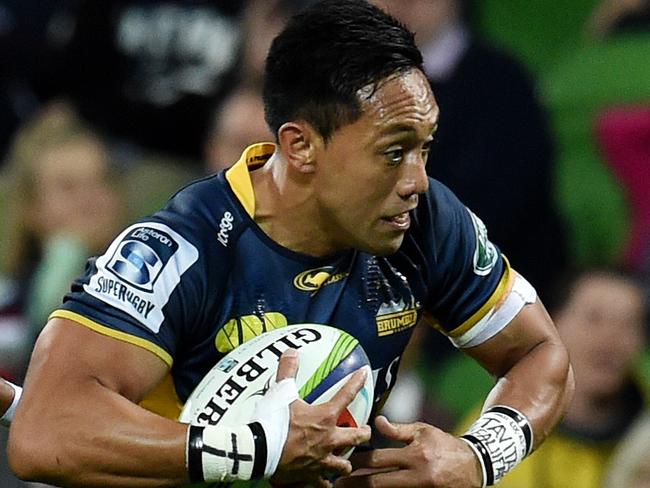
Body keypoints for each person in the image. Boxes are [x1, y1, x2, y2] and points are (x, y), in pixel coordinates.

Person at [8, 1, 573, 487]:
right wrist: (252, 451)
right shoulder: (182, 251)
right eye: (393, 150)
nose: (417, 180)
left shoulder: (424, 222)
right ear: (300, 146)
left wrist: (479, 456)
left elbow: (540, 353)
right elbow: (44, 431)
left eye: (425, 148)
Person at [472, 267, 647, 488]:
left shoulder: (646, 443)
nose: (611, 339)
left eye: (628, 324)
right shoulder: (499, 430)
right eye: (594, 318)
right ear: (551, 323)